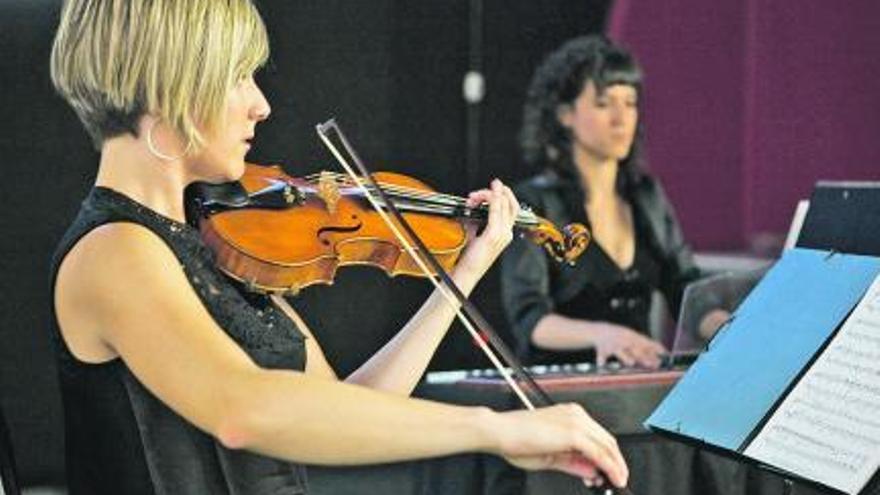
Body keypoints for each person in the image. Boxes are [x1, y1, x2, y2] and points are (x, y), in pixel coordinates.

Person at [48, 1, 628, 494]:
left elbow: (339, 404)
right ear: (168, 82)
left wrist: (463, 274)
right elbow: (244, 410)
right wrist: (495, 429)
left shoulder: (208, 243)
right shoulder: (114, 251)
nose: (260, 104)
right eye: (237, 77)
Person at [501, 35, 729, 368]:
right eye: (604, 103)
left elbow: (683, 287)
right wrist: (603, 335)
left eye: (630, 102)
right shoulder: (534, 201)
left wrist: (728, 328)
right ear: (566, 114)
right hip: (556, 387)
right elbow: (531, 320)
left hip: (636, 379)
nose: (622, 119)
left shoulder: (646, 195)